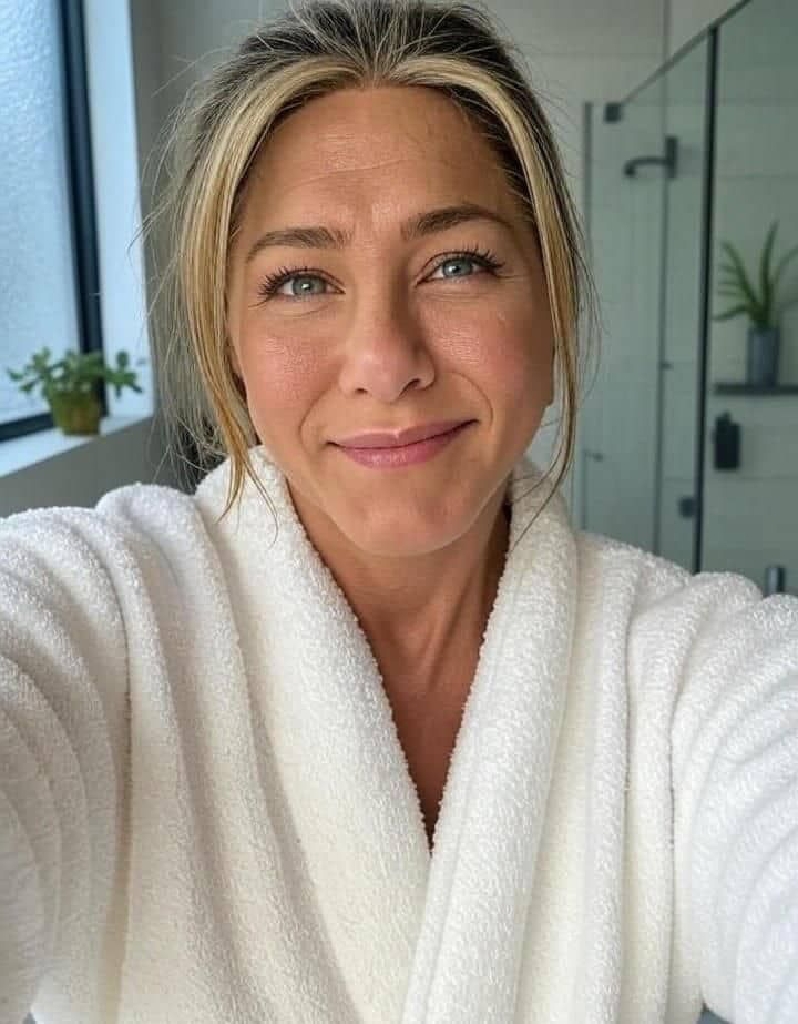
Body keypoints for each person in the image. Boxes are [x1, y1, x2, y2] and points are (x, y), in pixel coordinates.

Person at [1, 0, 796, 1021]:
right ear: (229, 340)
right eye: (301, 281)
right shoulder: (100, 616)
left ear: (551, 307)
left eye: (457, 264)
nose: (385, 359)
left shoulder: (693, 673)